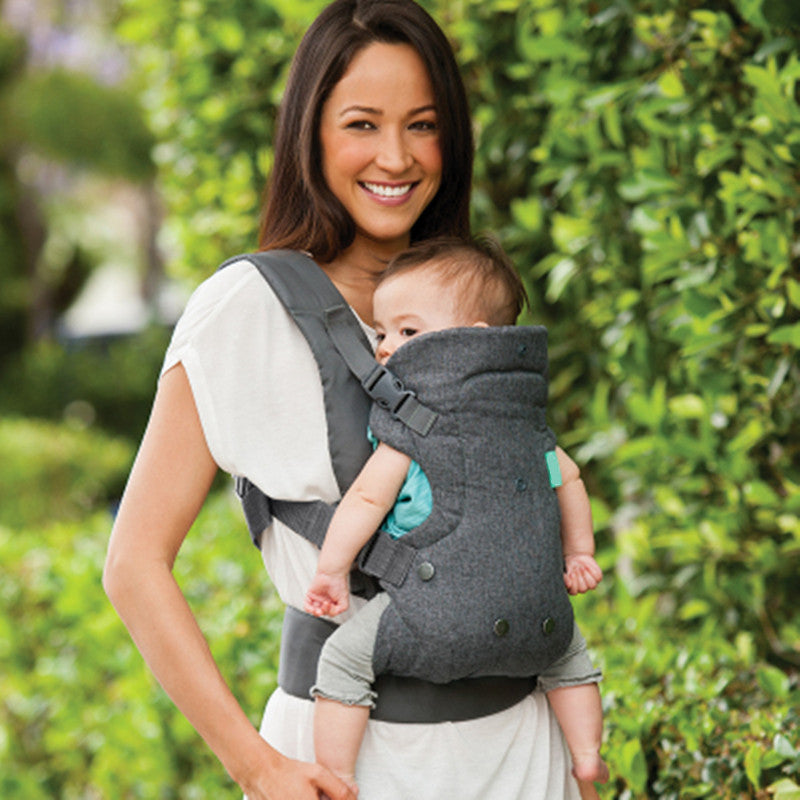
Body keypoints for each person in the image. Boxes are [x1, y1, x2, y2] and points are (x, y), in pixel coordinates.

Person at [103, 1, 588, 798]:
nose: (396, 157)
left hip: (521, 750)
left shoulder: (471, 299)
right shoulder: (245, 310)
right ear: (310, 134)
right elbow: (134, 564)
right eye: (362, 123)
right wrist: (256, 767)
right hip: (350, 760)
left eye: (423, 125)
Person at [304, 237, 608, 798]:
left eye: (409, 332)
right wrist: (579, 553)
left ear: (474, 338)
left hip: (435, 619)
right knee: (570, 660)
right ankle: (588, 756)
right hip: (539, 617)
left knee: (343, 661)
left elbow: (368, 501)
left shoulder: (415, 425)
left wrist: (330, 569)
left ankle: (338, 778)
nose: (386, 348)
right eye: (381, 333)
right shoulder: (527, 425)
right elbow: (570, 479)